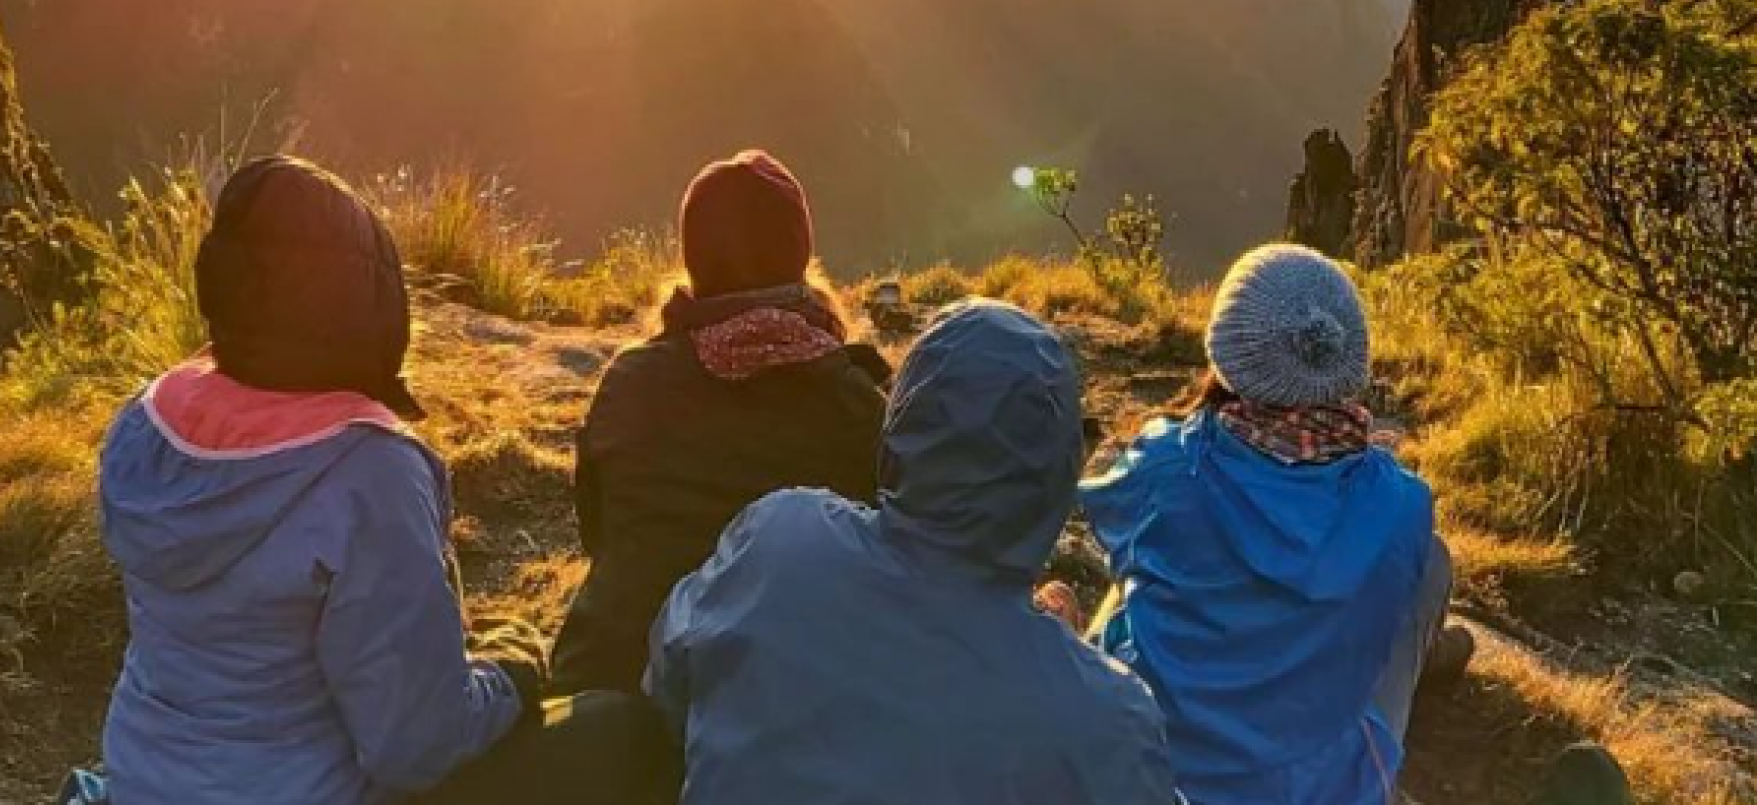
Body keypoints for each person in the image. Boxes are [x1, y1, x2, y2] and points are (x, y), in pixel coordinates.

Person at [96, 156, 666, 805]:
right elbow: (415, 749)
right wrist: (512, 667)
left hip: (144, 782)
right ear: (368, 308)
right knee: (616, 728)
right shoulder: (371, 473)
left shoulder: (147, 425)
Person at [645, 299, 1178, 805]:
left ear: (901, 423)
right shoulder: (1109, 723)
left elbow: (667, 679)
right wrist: (1054, 657)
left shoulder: (779, 541)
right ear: (1060, 472)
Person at [1081, 243, 1448, 805]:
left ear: (1227, 352)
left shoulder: (1163, 467)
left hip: (1159, 771)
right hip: (1325, 788)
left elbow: (1101, 511)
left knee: (1139, 564)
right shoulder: (1401, 505)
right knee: (1432, 563)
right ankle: (1424, 652)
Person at [551, 150, 889, 695]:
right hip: (787, 702)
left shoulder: (632, 382)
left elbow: (599, 532)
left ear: (693, 258)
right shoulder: (856, 400)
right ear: (799, 256)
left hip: (612, 680)